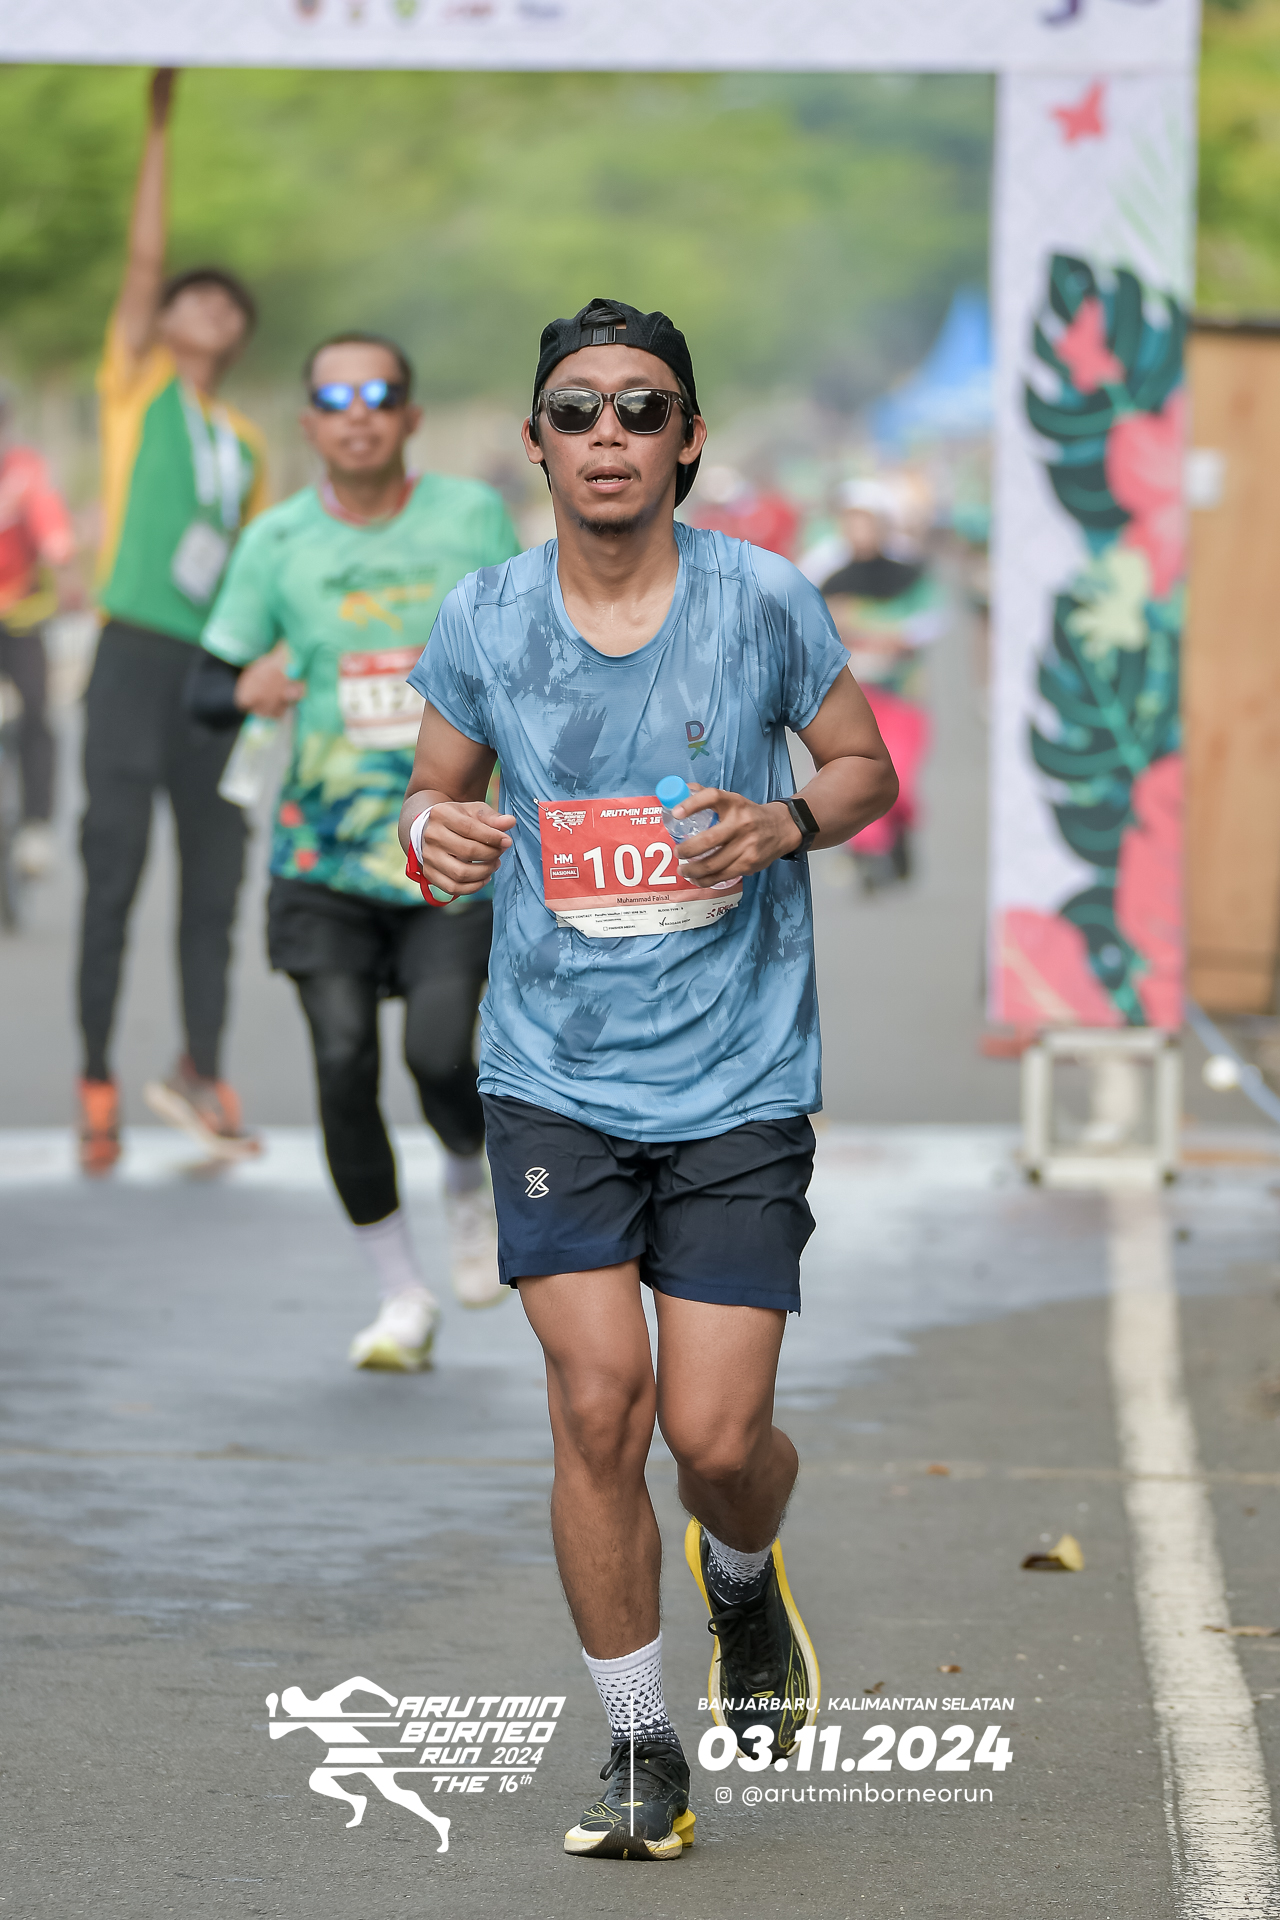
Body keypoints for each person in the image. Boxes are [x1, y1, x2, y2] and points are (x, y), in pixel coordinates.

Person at [398, 298, 896, 1860]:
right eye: (577, 410)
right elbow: (432, 800)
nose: (606, 434)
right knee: (599, 1404)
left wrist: (785, 822)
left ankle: (740, 1578)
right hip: (552, 1073)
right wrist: (434, 838)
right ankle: (637, 1746)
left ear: (688, 441)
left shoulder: (763, 601)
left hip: (740, 1074)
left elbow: (864, 767)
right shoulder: (486, 618)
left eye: (640, 408)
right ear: (536, 442)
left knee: (719, 1443)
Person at [190, 332, 521, 1365]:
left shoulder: (470, 516)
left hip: (449, 845)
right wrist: (245, 687)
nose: (358, 413)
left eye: (379, 394)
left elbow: (530, 639)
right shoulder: (277, 541)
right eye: (335, 399)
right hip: (322, 857)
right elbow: (206, 686)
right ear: (310, 425)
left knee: (437, 1054)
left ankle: (466, 1179)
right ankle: (400, 1298)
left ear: (410, 416)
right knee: (341, 1063)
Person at [78, 66, 267, 1175]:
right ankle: (97, 1079)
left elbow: (251, 570)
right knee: (112, 874)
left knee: (214, 879)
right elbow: (144, 263)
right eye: (193, 298)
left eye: (228, 306)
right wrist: (158, 125)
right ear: (160, 322)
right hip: (128, 656)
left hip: (213, 674)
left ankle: (203, 1069)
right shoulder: (135, 387)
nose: (210, 309)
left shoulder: (245, 444)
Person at [0, 386, 82, 878]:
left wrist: (65, 567)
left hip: (21, 613)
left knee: (36, 712)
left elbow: (51, 527)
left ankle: (36, 826)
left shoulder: (25, 470)